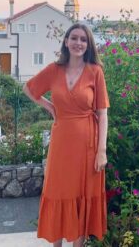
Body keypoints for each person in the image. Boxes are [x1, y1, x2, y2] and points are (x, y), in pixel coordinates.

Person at [23, 23, 110, 247]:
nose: (78, 43)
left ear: (88, 44)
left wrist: (101, 151)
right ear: (66, 41)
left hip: (88, 145)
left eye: (83, 39)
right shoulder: (54, 70)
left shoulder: (95, 72)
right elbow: (29, 89)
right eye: (74, 38)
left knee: (80, 195)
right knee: (58, 191)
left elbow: (102, 113)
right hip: (62, 143)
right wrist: (49, 106)